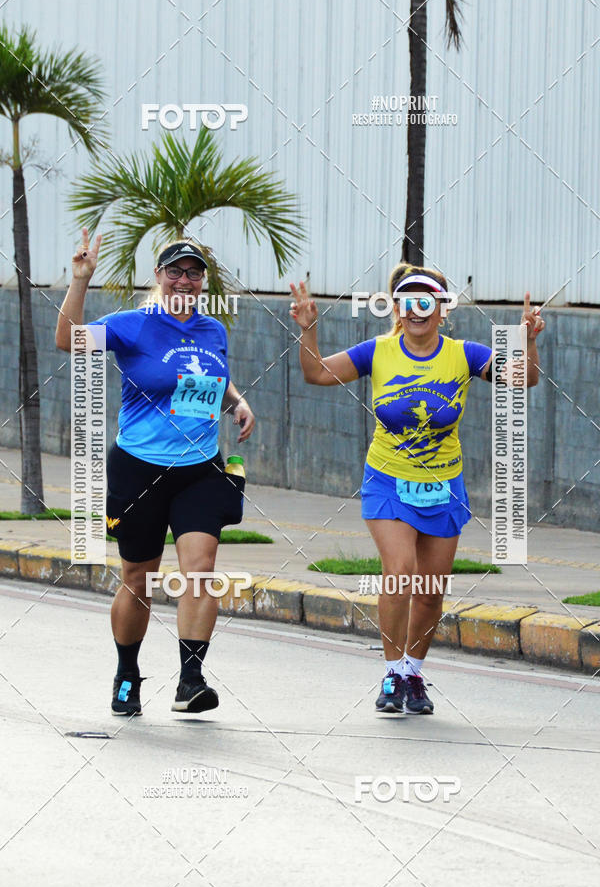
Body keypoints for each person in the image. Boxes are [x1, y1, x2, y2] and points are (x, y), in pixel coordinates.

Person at [290, 263, 544, 715]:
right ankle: (390, 674)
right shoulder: (378, 352)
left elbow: (523, 380)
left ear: (443, 309)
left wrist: (529, 345)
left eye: (427, 299)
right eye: (408, 300)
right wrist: (308, 331)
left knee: (429, 590)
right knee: (402, 571)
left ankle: (412, 672)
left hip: (443, 485)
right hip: (387, 481)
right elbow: (317, 374)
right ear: (398, 309)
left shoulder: (465, 354)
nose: (417, 308)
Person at [56, 229, 255, 716]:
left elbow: (210, 377)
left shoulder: (213, 329)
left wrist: (237, 401)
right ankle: (127, 674)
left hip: (201, 468)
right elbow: (68, 340)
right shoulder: (134, 325)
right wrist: (80, 281)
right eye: (175, 271)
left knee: (200, 572)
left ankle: (190, 680)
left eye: (194, 272)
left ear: (203, 281)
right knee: (138, 578)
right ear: (160, 278)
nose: (185, 280)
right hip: (139, 469)